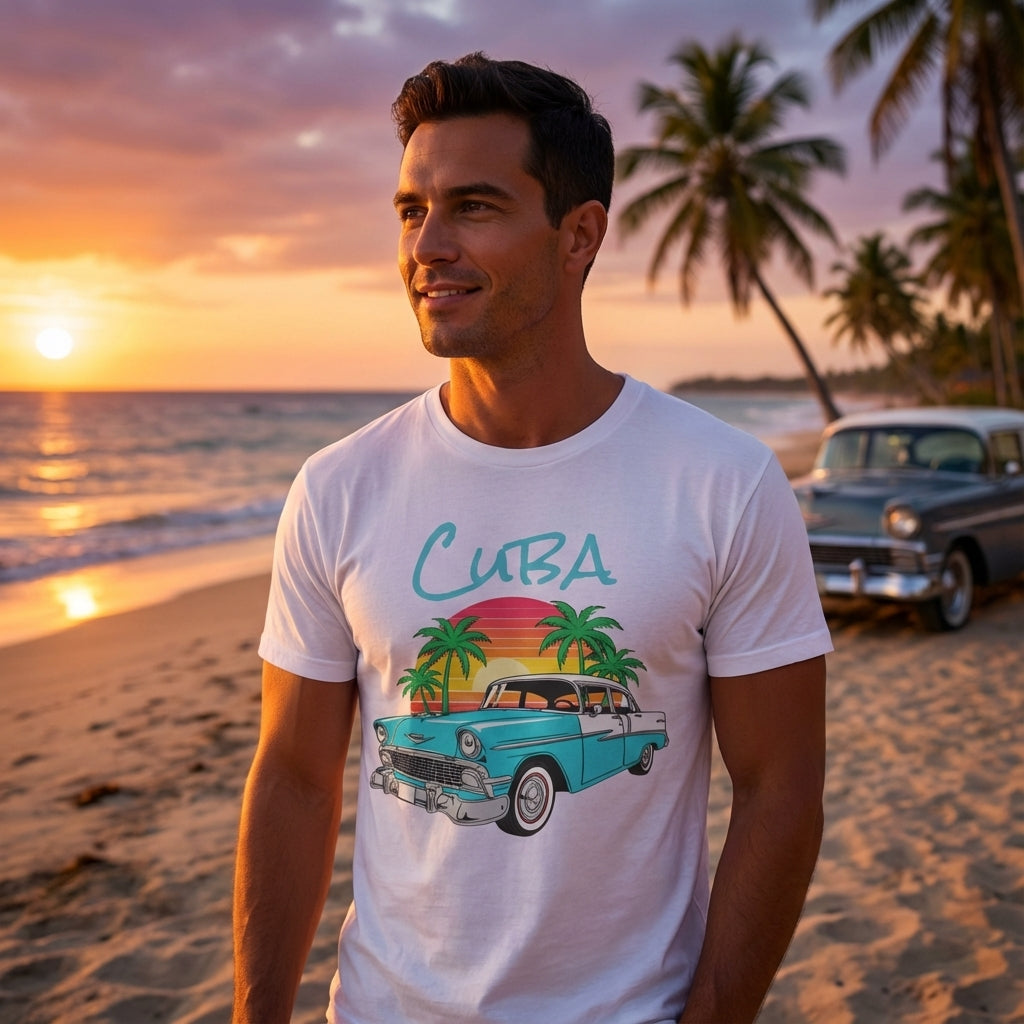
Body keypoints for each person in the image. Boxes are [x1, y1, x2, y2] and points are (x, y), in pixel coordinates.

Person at [232, 52, 831, 1024]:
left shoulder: (721, 480)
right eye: (409, 210)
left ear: (579, 235)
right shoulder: (339, 486)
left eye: (472, 206)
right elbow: (296, 779)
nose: (427, 244)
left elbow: (779, 785)